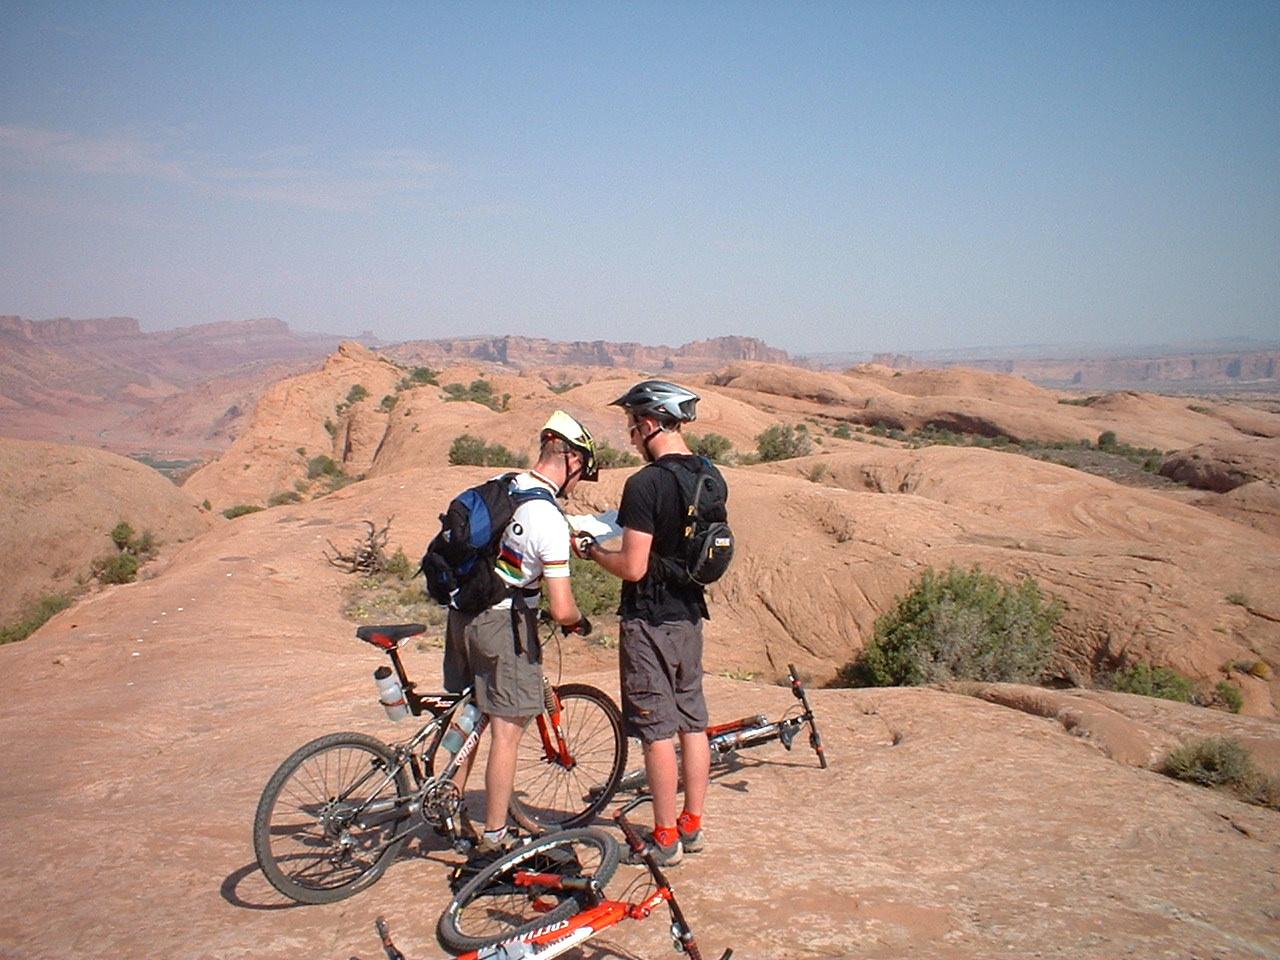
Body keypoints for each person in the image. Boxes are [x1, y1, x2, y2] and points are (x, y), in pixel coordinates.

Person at [574, 379, 723, 866]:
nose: (631, 435)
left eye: (634, 425)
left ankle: (665, 839)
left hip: (649, 620)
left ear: (653, 421)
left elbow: (633, 567)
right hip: (689, 616)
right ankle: (692, 825)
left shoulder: (645, 484)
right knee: (692, 722)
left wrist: (594, 551)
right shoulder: (709, 475)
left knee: (657, 731)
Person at [444, 410, 598, 862]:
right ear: (569, 459)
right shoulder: (547, 518)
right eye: (582, 470)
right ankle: (495, 838)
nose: (579, 480)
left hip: (462, 614)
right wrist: (576, 623)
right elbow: (562, 606)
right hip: (504, 625)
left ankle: (448, 809)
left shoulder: (505, 482)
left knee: (471, 715)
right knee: (507, 733)